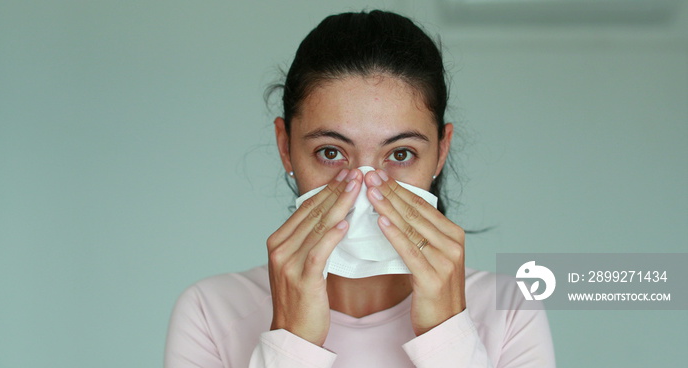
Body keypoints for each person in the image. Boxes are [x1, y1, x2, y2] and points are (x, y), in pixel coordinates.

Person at [164, 10, 555, 368]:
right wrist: (290, 341)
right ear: (286, 148)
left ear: (440, 153)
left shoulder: (511, 310)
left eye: (400, 154)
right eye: (331, 152)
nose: (366, 187)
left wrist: (448, 334)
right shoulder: (211, 311)